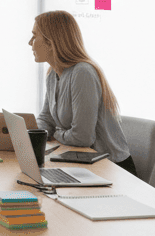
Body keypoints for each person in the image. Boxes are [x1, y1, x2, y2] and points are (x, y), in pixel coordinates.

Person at [28, 10, 135, 176]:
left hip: (111, 168)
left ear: (51, 42)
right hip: (84, 163)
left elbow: (82, 137)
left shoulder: (82, 73)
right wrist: (34, 134)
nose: (30, 43)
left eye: (34, 36)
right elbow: (46, 119)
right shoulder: (52, 74)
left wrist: (55, 133)